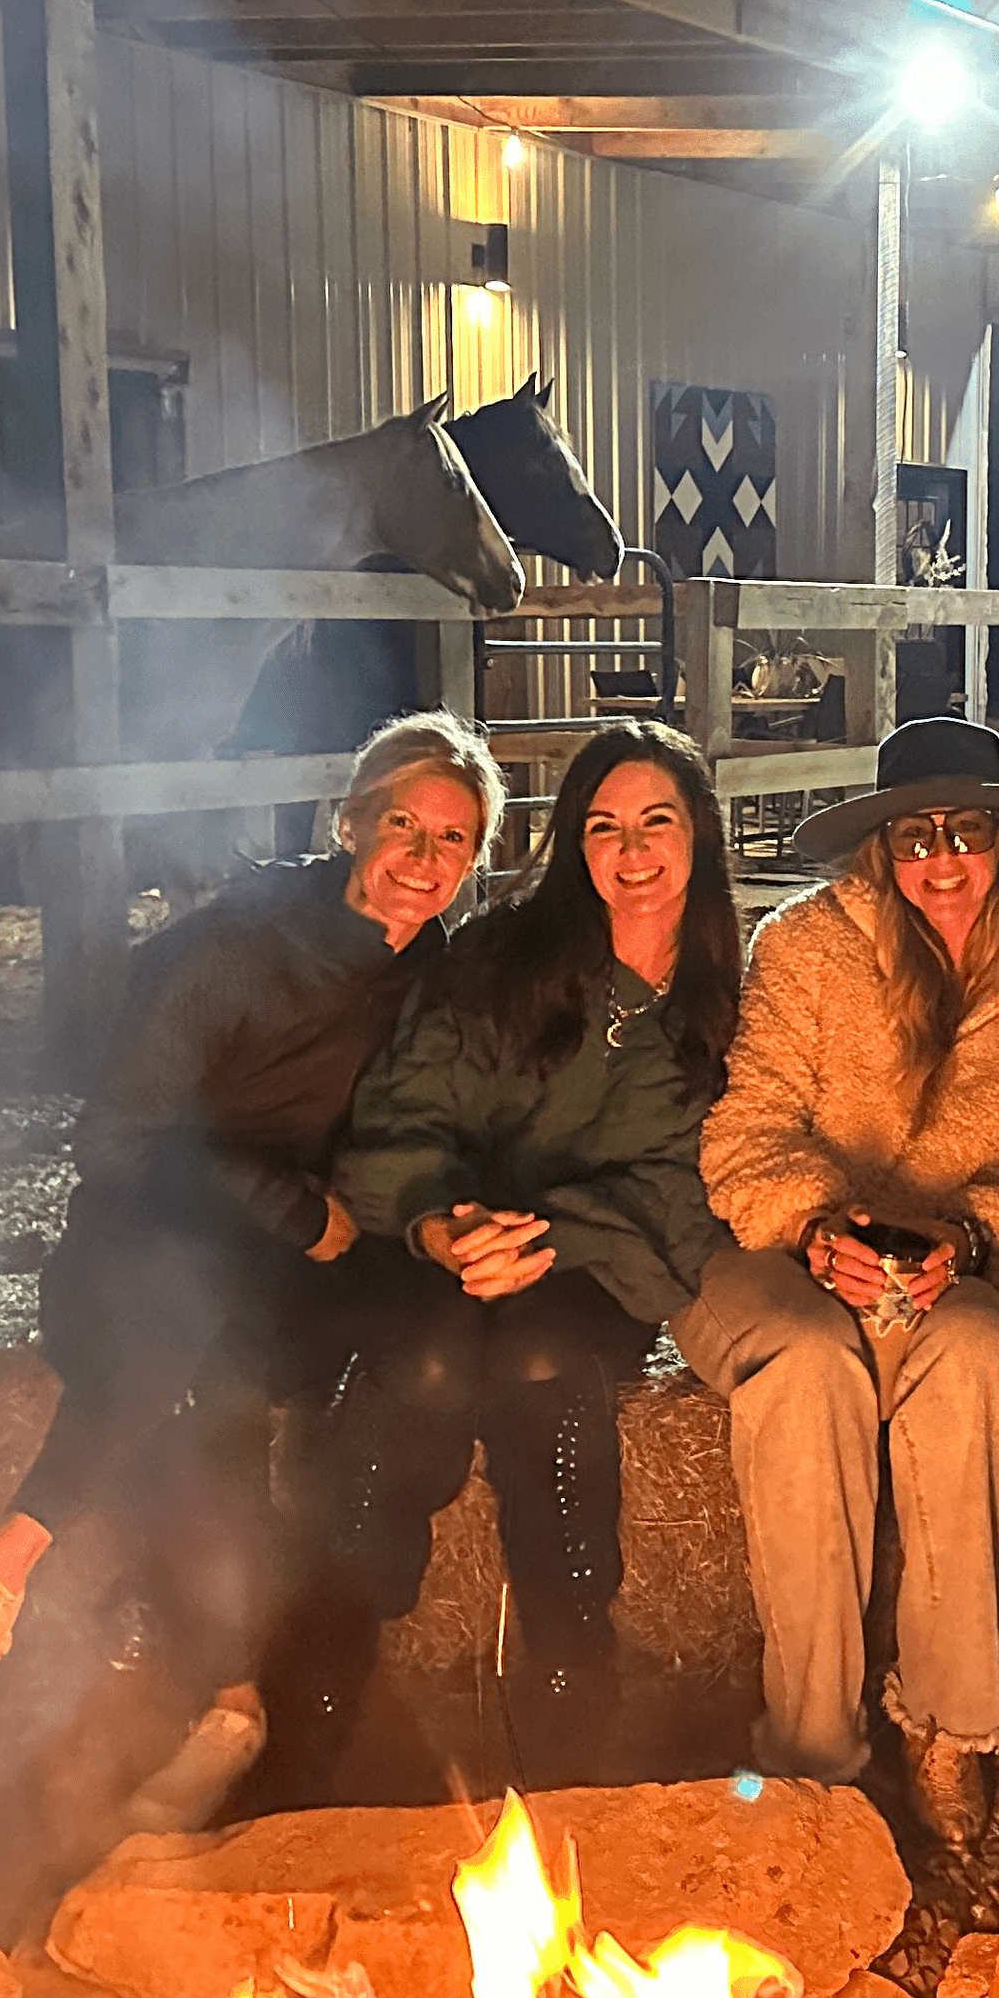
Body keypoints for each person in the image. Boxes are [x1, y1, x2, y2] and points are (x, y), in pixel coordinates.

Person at [0, 711, 503, 1835]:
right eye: (403, 824)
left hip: (292, 1263)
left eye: (455, 842)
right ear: (349, 823)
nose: (424, 859)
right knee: (177, 1341)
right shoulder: (230, 951)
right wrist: (292, 1207)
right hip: (149, 1229)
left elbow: (425, 1129)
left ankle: (232, 1705)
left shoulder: (430, 980)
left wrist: (420, 1221)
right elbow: (115, 1141)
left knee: (267, 1380)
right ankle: (10, 1582)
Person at [681, 716, 999, 1847]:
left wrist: (967, 1244)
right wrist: (819, 1228)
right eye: (916, 835)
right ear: (882, 850)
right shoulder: (805, 949)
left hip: (944, 1253)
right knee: (812, 1365)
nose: (944, 857)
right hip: (776, 1251)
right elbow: (746, 1127)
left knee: (981, 1357)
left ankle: (953, 1731)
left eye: (969, 830)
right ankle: (812, 1750)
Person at [304, 720, 741, 1784]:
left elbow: (697, 1187)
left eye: (657, 823)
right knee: (427, 1366)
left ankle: (567, 1666)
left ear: (701, 837)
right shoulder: (502, 961)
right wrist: (441, 1223)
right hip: (453, 1241)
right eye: (603, 827)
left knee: (545, 1366)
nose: (631, 852)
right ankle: (325, 1655)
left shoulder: (733, 995)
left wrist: (543, 1238)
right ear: (571, 845)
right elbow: (401, 1114)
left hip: (600, 1263)